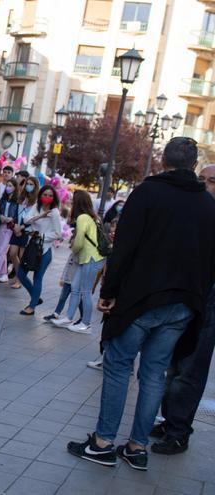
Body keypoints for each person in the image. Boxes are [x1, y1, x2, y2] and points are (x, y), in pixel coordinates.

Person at [67, 137, 215, 472]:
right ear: (193, 165)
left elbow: (125, 248)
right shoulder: (207, 205)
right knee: (153, 372)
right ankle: (136, 447)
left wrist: (109, 290)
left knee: (119, 367)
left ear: (164, 160)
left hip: (141, 300)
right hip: (182, 305)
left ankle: (103, 443)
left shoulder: (147, 193)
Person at [150, 164, 215, 455]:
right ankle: (169, 422)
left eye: (211, 181)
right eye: (201, 179)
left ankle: (179, 432)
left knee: (190, 371)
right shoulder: (198, 213)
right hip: (186, 299)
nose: (206, 185)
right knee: (174, 365)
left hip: (209, 304)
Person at [52, 190, 105, 334]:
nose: (70, 203)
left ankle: (86, 323)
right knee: (75, 287)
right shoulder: (93, 217)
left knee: (85, 291)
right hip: (89, 258)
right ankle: (69, 317)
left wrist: (73, 249)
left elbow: (79, 242)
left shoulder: (82, 218)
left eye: (73, 201)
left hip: (90, 258)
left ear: (78, 202)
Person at [15, 184, 62, 315]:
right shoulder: (36, 207)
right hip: (31, 246)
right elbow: (26, 220)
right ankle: (35, 297)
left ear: (54, 198)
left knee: (37, 278)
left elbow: (58, 233)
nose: (47, 197)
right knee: (20, 274)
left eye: (50, 195)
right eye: (45, 194)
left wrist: (42, 236)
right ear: (40, 195)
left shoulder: (55, 213)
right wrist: (40, 216)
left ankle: (32, 307)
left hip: (44, 249)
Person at [9, 178, 39, 289]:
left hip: (27, 230)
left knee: (22, 257)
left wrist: (22, 227)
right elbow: (17, 213)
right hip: (17, 228)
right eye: (27, 184)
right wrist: (15, 226)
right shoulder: (21, 198)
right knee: (12, 253)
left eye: (31, 184)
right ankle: (19, 274)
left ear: (35, 186)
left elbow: (33, 218)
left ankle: (19, 280)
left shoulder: (36, 201)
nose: (29, 186)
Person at [0, 179, 19, 283]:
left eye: (10, 185)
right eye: (7, 185)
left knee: (2, 250)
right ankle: (3, 274)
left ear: (15, 188)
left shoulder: (17, 202)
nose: (8, 187)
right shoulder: (2, 199)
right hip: (1, 226)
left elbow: (17, 216)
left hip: (10, 228)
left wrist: (12, 219)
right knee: (0, 250)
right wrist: (1, 217)